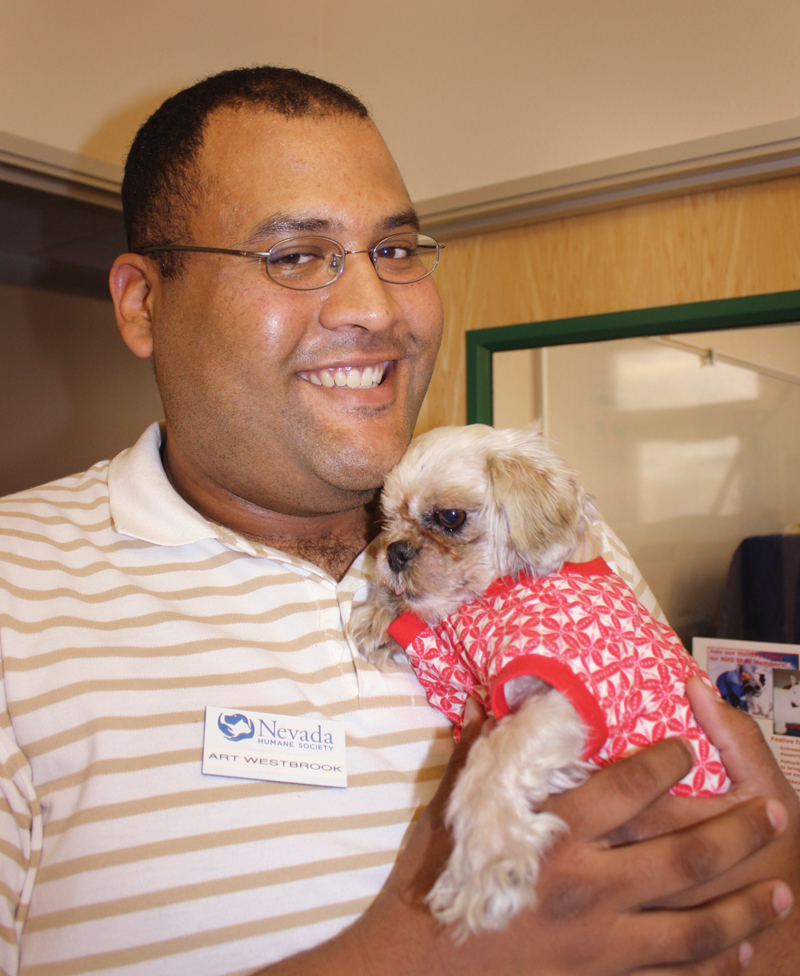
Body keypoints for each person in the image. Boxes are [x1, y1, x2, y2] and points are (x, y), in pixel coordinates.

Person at [0, 66, 797, 976]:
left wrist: (772, 903)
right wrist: (421, 958)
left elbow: (709, 844)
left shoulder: (562, 544)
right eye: (296, 256)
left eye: (397, 248)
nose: (375, 309)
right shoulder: (15, 594)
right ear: (143, 302)